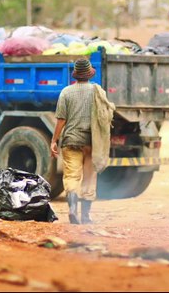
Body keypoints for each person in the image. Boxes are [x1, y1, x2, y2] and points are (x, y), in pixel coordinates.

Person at [50, 58, 114, 224]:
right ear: (89, 74)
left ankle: (72, 210)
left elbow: (61, 119)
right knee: (89, 178)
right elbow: (105, 116)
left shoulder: (66, 92)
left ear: (76, 75)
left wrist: (54, 140)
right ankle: (85, 216)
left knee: (72, 176)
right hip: (92, 142)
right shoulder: (98, 91)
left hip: (71, 141)